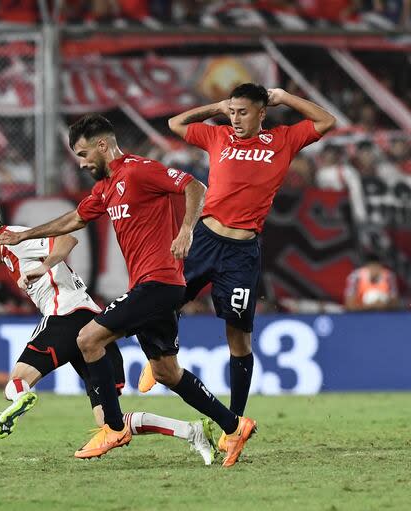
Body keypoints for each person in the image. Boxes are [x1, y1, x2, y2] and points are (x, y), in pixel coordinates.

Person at [0, 114, 257, 468]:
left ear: (103, 145)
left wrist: (187, 230)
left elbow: (194, 186)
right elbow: (75, 219)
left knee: (89, 339)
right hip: (153, 287)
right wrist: (24, 236)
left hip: (158, 282)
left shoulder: (137, 170)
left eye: (85, 153)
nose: (83, 162)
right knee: (166, 372)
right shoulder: (105, 188)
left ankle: (115, 428)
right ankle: (234, 425)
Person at [138, 83, 335, 452]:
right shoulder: (218, 135)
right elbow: (175, 123)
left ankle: (234, 425)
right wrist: (216, 106)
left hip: (242, 253)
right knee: (163, 301)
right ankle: (161, 358)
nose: (236, 118)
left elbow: (327, 121)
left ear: (263, 112)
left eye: (243, 112)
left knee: (239, 339)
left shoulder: (284, 140)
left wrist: (285, 97)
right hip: (205, 239)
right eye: (233, 112)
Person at [0, 198, 218, 465]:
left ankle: (20, 399)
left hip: (66, 317)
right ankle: (191, 431)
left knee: (17, 382)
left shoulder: (16, 237)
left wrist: (45, 266)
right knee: (110, 422)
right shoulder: (7, 246)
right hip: (93, 328)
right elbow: (7, 257)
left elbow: (67, 240)